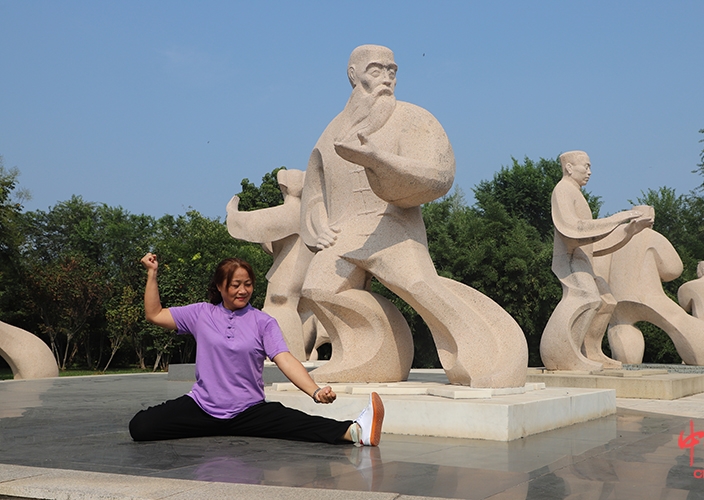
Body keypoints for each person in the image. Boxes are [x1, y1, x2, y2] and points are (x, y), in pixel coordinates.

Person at [298, 44, 528, 388]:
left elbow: (439, 174)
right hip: (344, 233)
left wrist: (379, 160)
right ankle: (373, 357)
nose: (387, 77)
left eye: (392, 70)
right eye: (376, 70)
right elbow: (314, 189)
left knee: (422, 288)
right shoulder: (330, 132)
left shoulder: (412, 118)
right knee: (317, 290)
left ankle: (490, 355)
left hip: (393, 226)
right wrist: (316, 220)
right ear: (353, 74)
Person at [128, 253, 384, 446]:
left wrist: (315, 391)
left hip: (249, 410)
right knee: (140, 426)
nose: (243, 291)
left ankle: (356, 431)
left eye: (247, 284)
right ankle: (213, 426)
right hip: (203, 407)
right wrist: (152, 273)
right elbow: (154, 314)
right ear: (220, 286)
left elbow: (285, 359)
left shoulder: (263, 322)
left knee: (298, 423)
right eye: (235, 284)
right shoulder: (200, 314)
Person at [540, 150, 653, 371]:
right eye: (586, 166)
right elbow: (571, 228)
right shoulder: (562, 190)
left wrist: (630, 230)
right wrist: (615, 219)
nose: (590, 172)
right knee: (587, 297)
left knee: (606, 300)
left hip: (583, 258)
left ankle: (591, 352)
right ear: (569, 168)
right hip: (570, 259)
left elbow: (594, 244)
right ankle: (561, 355)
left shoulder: (577, 194)